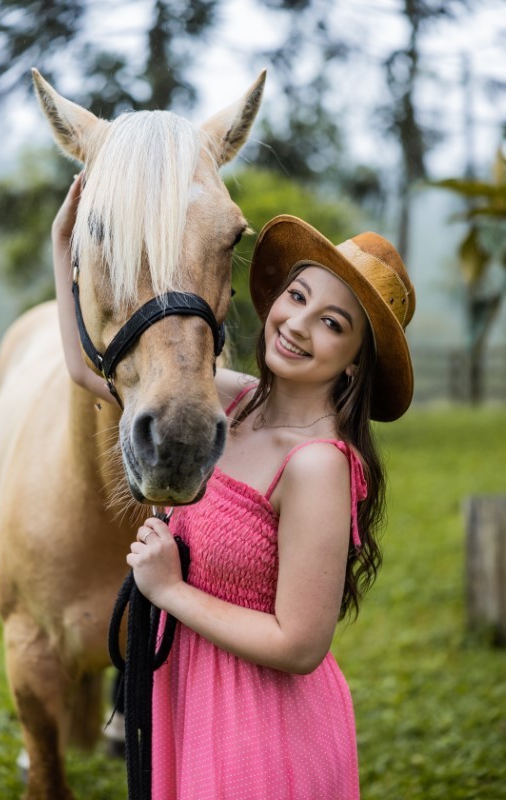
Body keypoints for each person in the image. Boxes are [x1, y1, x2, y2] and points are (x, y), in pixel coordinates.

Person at [52, 177, 415, 799]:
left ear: (356, 359)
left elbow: (299, 644)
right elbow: (92, 372)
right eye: (296, 296)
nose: (297, 324)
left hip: (261, 727)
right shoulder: (233, 402)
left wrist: (170, 591)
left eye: (331, 323)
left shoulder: (316, 465)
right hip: (190, 698)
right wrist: (65, 245)